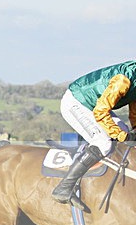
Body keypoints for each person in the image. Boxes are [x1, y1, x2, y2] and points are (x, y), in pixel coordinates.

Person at [52, 60, 136, 211]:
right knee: (104, 143)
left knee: (123, 129)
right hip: (76, 102)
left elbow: (134, 113)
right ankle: (64, 187)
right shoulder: (123, 81)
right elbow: (101, 112)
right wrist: (122, 136)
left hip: (94, 104)